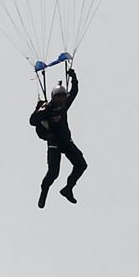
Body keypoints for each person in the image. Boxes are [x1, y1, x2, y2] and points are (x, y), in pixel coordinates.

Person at [30, 68, 87, 208]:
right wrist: (40, 111)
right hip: (54, 143)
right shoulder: (47, 109)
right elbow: (32, 121)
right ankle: (44, 192)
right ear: (54, 98)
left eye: (63, 97)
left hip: (66, 142)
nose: (62, 100)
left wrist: (74, 77)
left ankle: (68, 189)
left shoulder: (64, 106)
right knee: (53, 173)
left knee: (81, 165)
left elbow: (74, 92)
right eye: (59, 97)